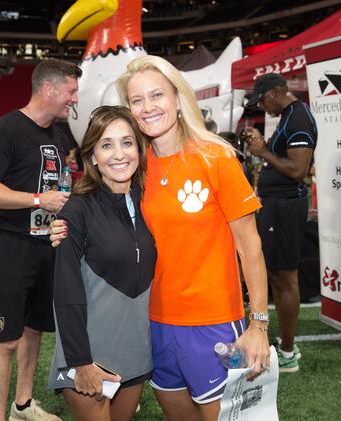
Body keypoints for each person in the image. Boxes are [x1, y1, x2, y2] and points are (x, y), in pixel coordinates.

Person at [52, 55, 270, 421]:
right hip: (153, 326)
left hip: (213, 323)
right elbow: (110, 217)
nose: (148, 107)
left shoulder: (216, 157)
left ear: (177, 97)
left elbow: (251, 247)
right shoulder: (138, 166)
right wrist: (66, 227)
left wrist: (259, 324)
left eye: (157, 95)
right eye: (137, 100)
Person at [0, 58, 81, 421]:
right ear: (48, 89)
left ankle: (23, 405)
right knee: (7, 339)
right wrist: (38, 201)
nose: (74, 99)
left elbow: (57, 183)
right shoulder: (6, 130)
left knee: (35, 329)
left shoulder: (58, 133)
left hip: (46, 244)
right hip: (11, 243)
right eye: (70, 91)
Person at [46, 105, 156, 421]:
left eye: (127, 142)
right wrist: (81, 361)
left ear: (139, 149)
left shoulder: (150, 203)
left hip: (135, 351)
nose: (118, 154)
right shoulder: (77, 211)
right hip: (89, 354)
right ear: (93, 155)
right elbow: (65, 291)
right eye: (106, 145)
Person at [245, 73, 317, 373]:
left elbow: (298, 169)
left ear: (276, 92)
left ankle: (287, 351)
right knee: (276, 274)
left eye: (263, 100)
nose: (262, 107)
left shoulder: (298, 118)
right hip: (278, 206)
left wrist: (262, 152)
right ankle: (286, 343)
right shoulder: (289, 116)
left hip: (286, 207)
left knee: (285, 277)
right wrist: (264, 148)